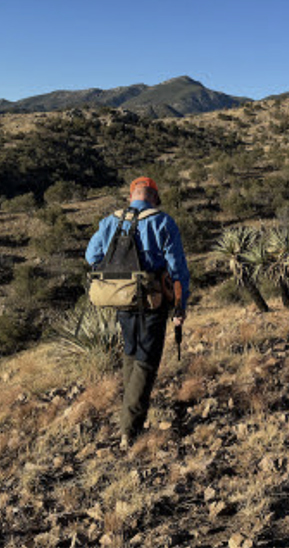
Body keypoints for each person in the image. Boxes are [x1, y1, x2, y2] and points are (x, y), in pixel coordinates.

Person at [86, 177, 190, 449]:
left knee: (131, 351)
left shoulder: (111, 221)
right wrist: (180, 305)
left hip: (122, 299)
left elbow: (91, 256)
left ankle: (127, 416)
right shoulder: (162, 221)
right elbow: (177, 269)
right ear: (154, 197)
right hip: (152, 301)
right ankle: (129, 431)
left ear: (131, 196)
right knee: (146, 358)